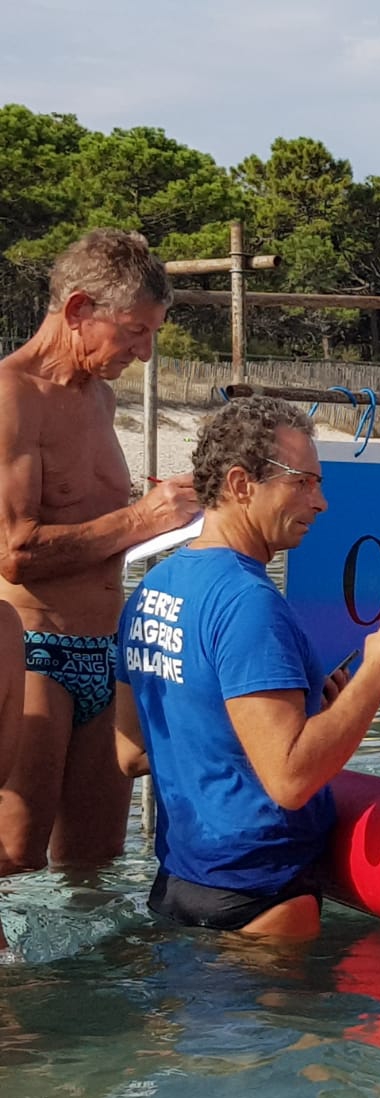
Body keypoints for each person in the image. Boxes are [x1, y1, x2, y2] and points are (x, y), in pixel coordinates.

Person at [114, 396, 380, 938]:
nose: (321, 502)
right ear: (240, 485)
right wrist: (377, 674)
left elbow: (132, 752)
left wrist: (314, 710)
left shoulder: (151, 589)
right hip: (258, 895)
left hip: (178, 883)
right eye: (302, 482)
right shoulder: (248, 602)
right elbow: (289, 779)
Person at [0, 229, 201, 874]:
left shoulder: (100, 396)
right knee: (14, 861)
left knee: (98, 865)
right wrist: (142, 516)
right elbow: (15, 552)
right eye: (135, 331)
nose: (144, 353)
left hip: (109, 650)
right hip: (35, 652)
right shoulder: (11, 395)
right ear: (80, 309)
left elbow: (95, 517)